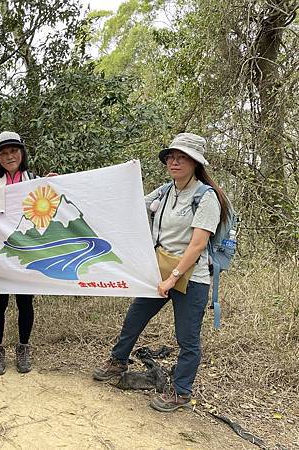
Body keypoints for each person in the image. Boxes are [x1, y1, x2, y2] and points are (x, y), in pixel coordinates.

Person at [93, 132, 230, 412]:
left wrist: (172, 277)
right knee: (134, 318)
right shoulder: (166, 191)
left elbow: (198, 244)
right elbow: (128, 205)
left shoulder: (206, 198)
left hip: (191, 277)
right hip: (160, 271)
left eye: (182, 158)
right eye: (171, 157)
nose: (175, 162)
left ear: (195, 163)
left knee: (187, 337)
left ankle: (181, 392)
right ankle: (118, 362)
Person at [0, 131, 57, 376]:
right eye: (3, 153)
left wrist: (54, 186)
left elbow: (52, 210)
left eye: (13, 151)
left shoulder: (35, 179)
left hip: (29, 251)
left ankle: (24, 348)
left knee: (25, 302)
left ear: (22, 153)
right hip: (1, 252)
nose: (9, 156)